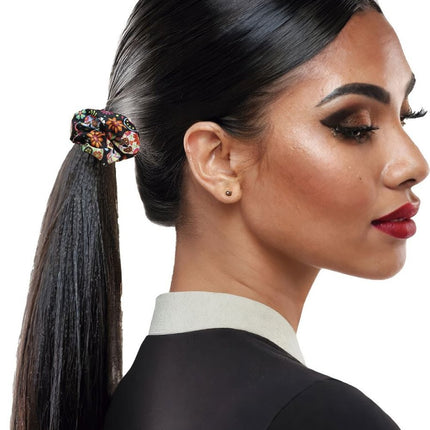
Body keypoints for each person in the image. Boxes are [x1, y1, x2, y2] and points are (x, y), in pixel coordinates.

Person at [10, 0, 428, 429]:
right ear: (218, 160)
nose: (414, 164)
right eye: (355, 127)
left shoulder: (126, 403)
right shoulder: (320, 415)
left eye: (406, 117)